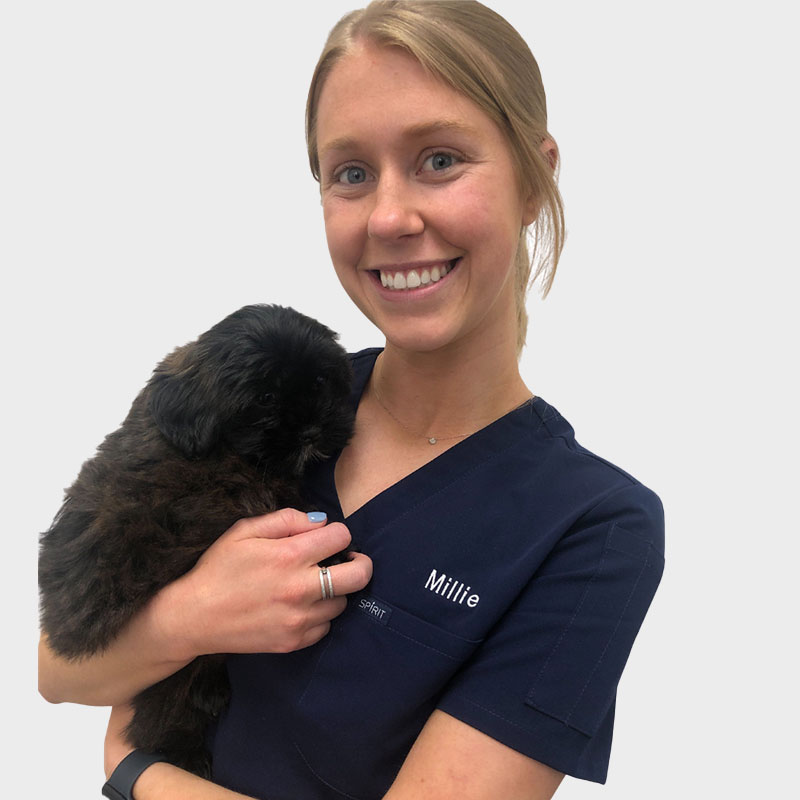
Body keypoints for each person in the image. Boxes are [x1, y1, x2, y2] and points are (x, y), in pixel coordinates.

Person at [38, 2, 665, 798]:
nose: (391, 217)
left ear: (535, 177)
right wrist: (192, 617)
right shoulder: (264, 394)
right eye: (352, 174)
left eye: (440, 159)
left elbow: (113, 718)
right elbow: (59, 668)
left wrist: (137, 774)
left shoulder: (594, 527)